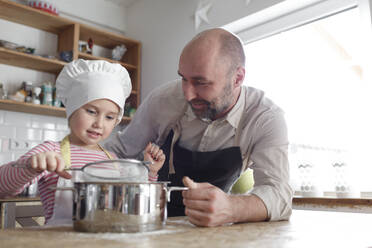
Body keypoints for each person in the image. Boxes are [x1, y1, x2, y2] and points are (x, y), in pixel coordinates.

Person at [106, 28, 293, 227]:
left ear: (237, 78)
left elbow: (279, 194)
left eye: (201, 82)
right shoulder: (163, 101)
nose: (187, 94)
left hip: (215, 232)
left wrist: (231, 208)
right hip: (153, 223)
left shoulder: (264, 118)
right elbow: (117, 152)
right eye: (183, 78)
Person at [0, 59, 165, 225]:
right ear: (72, 109)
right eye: (91, 111)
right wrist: (30, 167)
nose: (99, 124)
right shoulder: (51, 151)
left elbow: (134, 201)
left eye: (109, 117)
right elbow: (3, 186)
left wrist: (150, 173)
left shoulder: (113, 159)